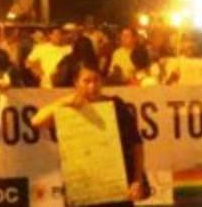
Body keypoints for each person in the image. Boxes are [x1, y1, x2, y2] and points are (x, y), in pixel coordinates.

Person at [31, 62, 151, 205]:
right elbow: (36, 121)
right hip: (82, 189)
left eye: (96, 80)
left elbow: (136, 144)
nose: (92, 86)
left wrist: (137, 179)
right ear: (76, 82)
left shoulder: (116, 105)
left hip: (116, 187)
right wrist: (65, 101)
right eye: (86, 81)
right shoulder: (68, 110)